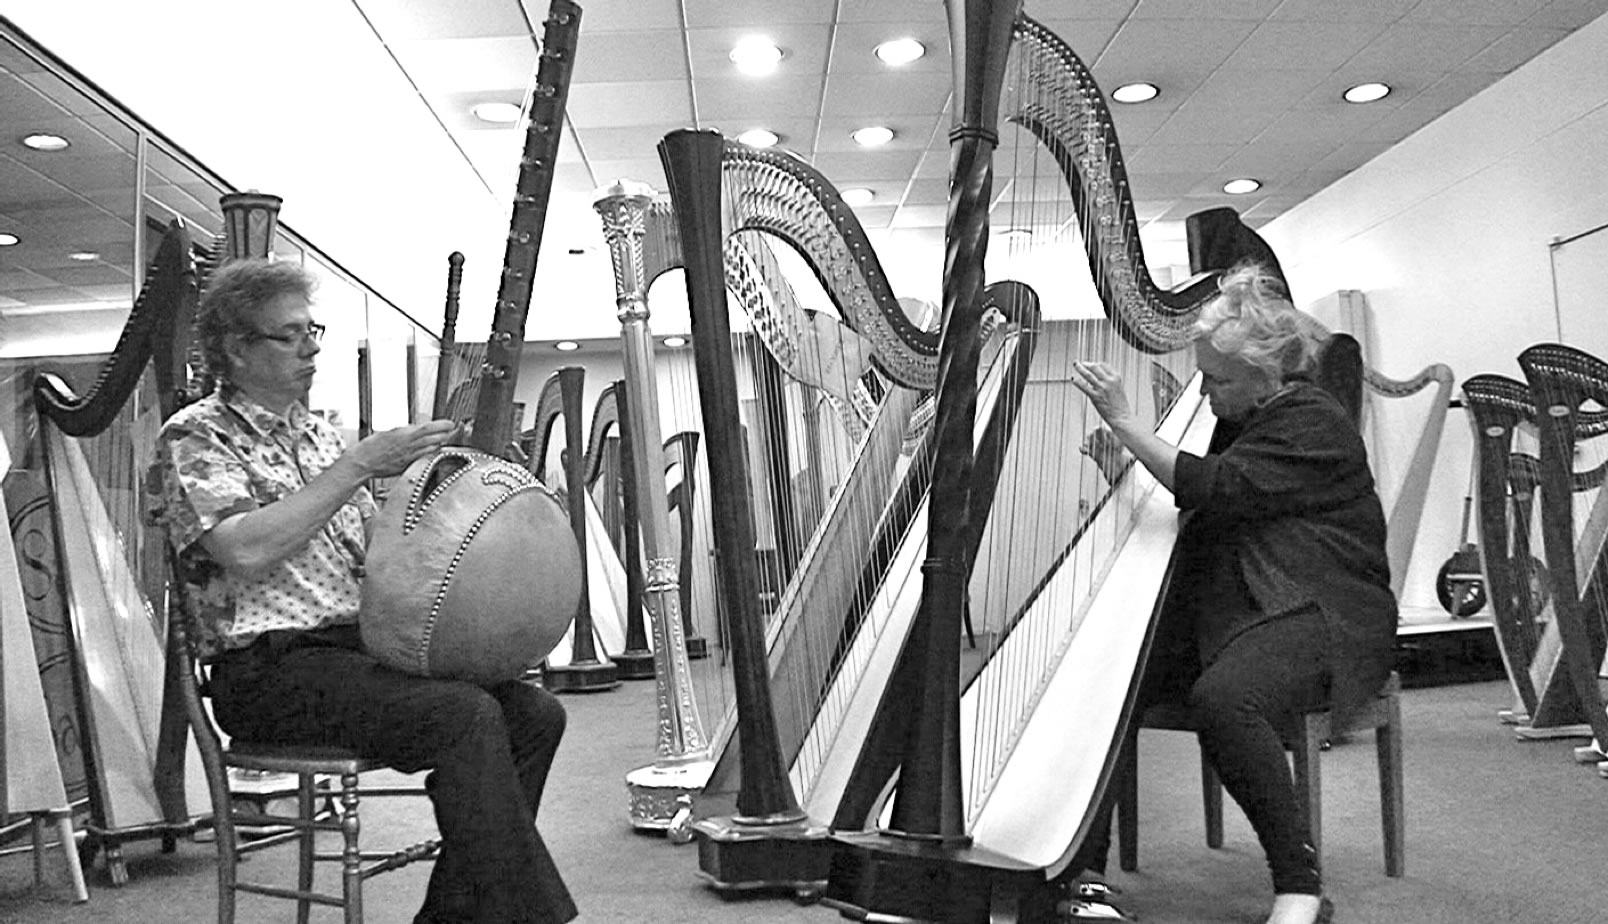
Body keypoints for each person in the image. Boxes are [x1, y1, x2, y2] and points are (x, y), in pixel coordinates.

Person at [149, 258, 577, 924]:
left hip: (353, 654)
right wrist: (357, 467)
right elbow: (244, 546)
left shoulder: (319, 436)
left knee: (534, 713)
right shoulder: (195, 435)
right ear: (236, 348)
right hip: (266, 671)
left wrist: (452, 505)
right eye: (289, 335)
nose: (312, 346)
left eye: (312, 329)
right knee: (463, 715)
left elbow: (380, 554)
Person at [1064, 264, 1396, 924]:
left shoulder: (1312, 421)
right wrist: (1121, 474)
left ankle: (1299, 888)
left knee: (1225, 700)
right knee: (1107, 676)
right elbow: (1202, 513)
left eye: (1217, 379)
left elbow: (1211, 489)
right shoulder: (1238, 416)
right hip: (1241, 604)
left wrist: (1126, 424)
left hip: (1318, 607)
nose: (1205, 389)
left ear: (1266, 377)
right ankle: (1083, 871)